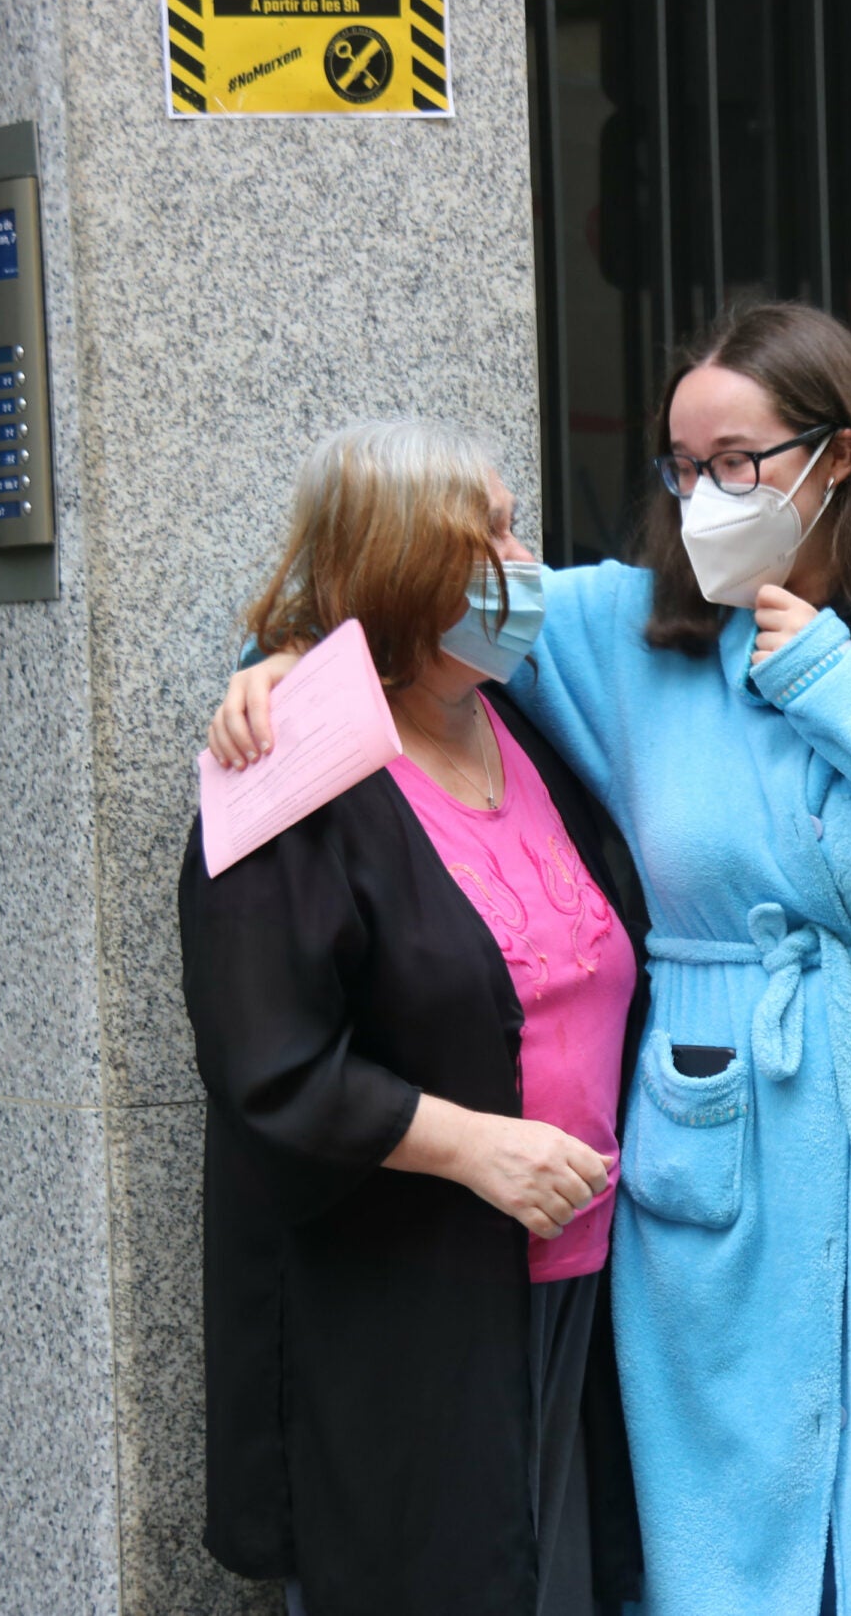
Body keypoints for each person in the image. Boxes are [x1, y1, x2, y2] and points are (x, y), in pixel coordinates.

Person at [211, 303, 851, 1615]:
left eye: (734, 460)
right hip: (717, 1154)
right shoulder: (623, 630)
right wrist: (283, 660)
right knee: (720, 1543)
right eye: (680, 464)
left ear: (838, 455)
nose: (701, 493)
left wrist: (830, 676)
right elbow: (415, 616)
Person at [180, 420, 649, 1616]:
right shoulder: (295, 770)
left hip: (570, 1274)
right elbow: (269, 1067)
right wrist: (478, 1147)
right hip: (403, 1301)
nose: (522, 556)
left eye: (512, 519)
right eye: (485, 532)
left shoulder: (523, 722)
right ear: (398, 566)